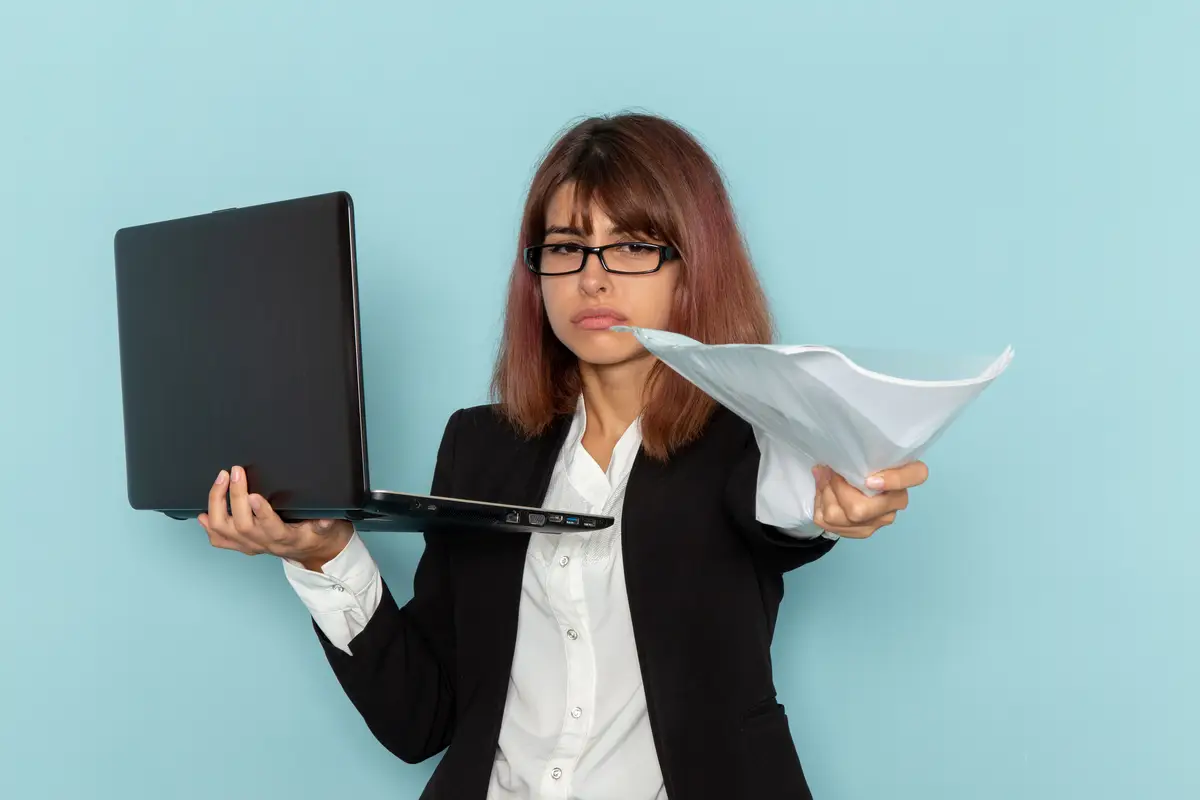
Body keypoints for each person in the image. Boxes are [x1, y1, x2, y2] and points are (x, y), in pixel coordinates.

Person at [198, 112, 929, 800]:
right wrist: (325, 555)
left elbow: (786, 506)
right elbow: (421, 720)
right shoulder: (480, 445)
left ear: (693, 266)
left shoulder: (751, 441)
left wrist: (832, 501)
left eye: (635, 245)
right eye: (566, 246)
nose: (594, 276)